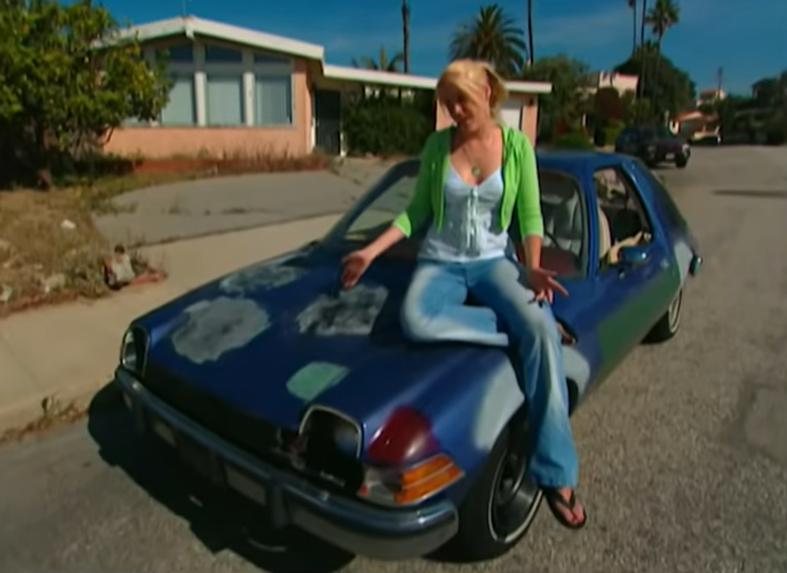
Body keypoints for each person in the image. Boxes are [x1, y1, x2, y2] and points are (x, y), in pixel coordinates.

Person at [340, 59, 586, 529]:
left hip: (495, 263)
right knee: (417, 319)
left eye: (461, 101)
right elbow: (415, 213)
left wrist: (533, 268)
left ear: (487, 93)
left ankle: (556, 472)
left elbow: (530, 216)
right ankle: (526, 330)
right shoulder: (438, 146)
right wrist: (369, 252)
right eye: (447, 103)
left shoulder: (516, 147)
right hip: (441, 262)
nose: (453, 111)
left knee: (539, 329)